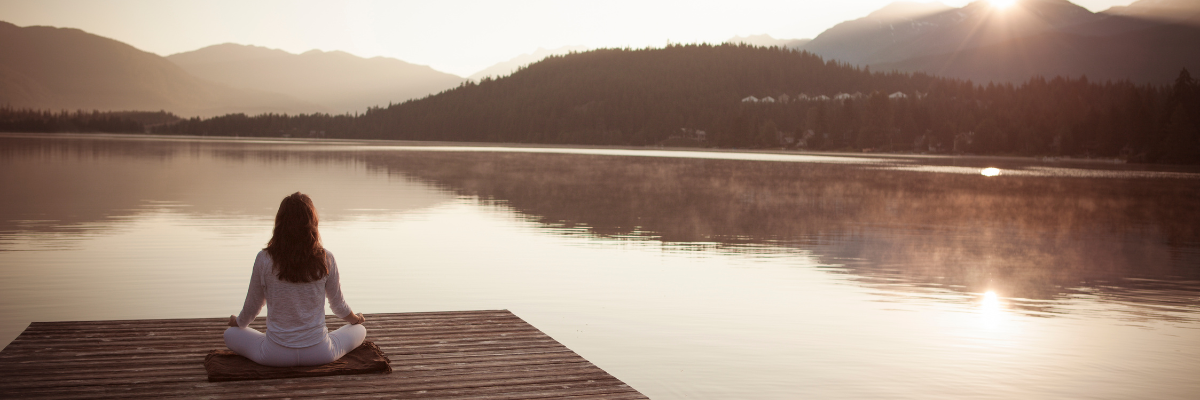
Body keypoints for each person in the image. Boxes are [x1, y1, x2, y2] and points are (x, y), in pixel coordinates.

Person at [223, 192, 367, 367]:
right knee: (360, 330)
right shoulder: (326, 258)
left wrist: (237, 322)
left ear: (280, 223)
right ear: (312, 224)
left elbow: (253, 306)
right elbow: (338, 306)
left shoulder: (264, 258)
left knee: (230, 334)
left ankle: (272, 342)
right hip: (320, 353)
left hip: (275, 355)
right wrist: (355, 319)